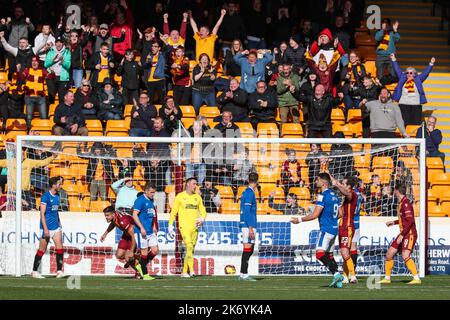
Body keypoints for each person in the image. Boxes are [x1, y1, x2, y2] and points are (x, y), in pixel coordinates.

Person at [290, 172, 344, 288]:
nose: (316, 182)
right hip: (334, 229)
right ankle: (338, 282)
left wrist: (299, 220)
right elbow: (341, 213)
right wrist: (331, 218)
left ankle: (337, 274)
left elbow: (315, 215)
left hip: (326, 229)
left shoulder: (322, 196)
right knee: (329, 256)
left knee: (319, 254)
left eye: (318, 180)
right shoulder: (335, 195)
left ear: (324, 183)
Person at [377, 184, 421, 285]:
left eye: (394, 190)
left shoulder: (406, 203)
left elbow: (410, 221)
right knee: (389, 254)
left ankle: (416, 278)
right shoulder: (401, 202)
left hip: (409, 234)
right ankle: (387, 278)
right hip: (403, 233)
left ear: (397, 191)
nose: (393, 191)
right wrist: (394, 222)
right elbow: (404, 219)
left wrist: (401, 236)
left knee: (405, 254)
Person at [168, 177, 207, 277]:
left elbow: (203, 211)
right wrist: (170, 225)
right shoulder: (180, 196)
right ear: (188, 184)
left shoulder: (197, 197)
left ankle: (185, 272)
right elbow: (173, 212)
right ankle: (192, 270)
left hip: (195, 228)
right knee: (189, 246)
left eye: (196, 184)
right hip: (184, 227)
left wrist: (202, 219)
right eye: (194, 184)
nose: (195, 186)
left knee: (191, 250)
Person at [31, 177, 64, 278]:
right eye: (59, 184)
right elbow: (42, 214)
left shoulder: (58, 196)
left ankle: (59, 271)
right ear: (53, 185)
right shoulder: (45, 197)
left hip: (55, 226)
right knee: (42, 249)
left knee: (60, 248)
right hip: (46, 227)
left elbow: (56, 211)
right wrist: (45, 229)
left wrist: (59, 222)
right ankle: (34, 271)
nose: (60, 186)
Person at [391, 54, 435, 126]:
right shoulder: (402, 78)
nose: (409, 74)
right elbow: (397, 69)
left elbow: (425, 73)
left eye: (411, 73)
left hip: (416, 105)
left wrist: (431, 64)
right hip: (403, 105)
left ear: (414, 74)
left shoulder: (418, 79)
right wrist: (394, 59)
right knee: (403, 123)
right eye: (407, 72)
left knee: (415, 124)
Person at [330, 175, 358, 284]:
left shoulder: (352, 194)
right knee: (344, 253)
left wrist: (337, 184)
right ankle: (345, 276)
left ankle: (353, 276)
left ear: (349, 186)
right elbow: (341, 213)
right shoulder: (345, 198)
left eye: (344, 184)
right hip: (342, 227)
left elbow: (343, 191)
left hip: (348, 227)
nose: (342, 185)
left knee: (345, 252)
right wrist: (328, 174)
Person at [101, 205, 140, 276]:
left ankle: (138, 271)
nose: (106, 217)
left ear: (113, 214)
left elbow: (133, 235)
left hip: (134, 236)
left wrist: (131, 251)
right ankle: (132, 259)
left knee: (128, 257)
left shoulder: (123, 221)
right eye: (105, 215)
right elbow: (113, 224)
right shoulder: (114, 217)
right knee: (119, 255)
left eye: (107, 215)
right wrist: (105, 234)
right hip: (126, 235)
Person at [132, 183, 159, 281]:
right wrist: (141, 228)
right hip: (140, 231)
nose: (153, 194)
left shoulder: (151, 200)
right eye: (151, 192)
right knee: (144, 253)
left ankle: (140, 265)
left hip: (150, 230)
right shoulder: (140, 200)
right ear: (146, 191)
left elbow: (152, 215)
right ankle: (145, 274)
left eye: (154, 192)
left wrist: (154, 226)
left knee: (155, 250)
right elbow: (134, 215)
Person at [239, 172, 259, 281]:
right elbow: (246, 211)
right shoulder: (250, 193)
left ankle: (242, 273)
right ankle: (244, 274)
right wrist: (250, 227)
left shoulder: (246, 192)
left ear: (248, 180)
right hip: (248, 224)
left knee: (249, 249)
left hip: (247, 224)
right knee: (248, 249)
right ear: (257, 182)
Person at [19, 56, 49, 129]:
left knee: (44, 116)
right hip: (29, 96)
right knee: (29, 117)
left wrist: (52, 73)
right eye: (32, 61)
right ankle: (29, 132)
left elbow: (50, 77)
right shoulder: (27, 70)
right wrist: (19, 71)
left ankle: (43, 133)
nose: (34, 62)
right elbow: (21, 77)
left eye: (36, 61)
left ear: (38, 63)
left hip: (40, 96)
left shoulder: (43, 70)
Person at [44, 37, 71, 104]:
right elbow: (46, 64)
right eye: (57, 42)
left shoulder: (67, 52)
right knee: (51, 96)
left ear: (63, 43)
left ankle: (61, 113)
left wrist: (62, 61)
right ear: (55, 43)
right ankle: (50, 113)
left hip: (62, 78)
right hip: (52, 77)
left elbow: (68, 66)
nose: (58, 44)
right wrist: (53, 61)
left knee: (62, 98)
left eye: (60, 42)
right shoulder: (51, 51)